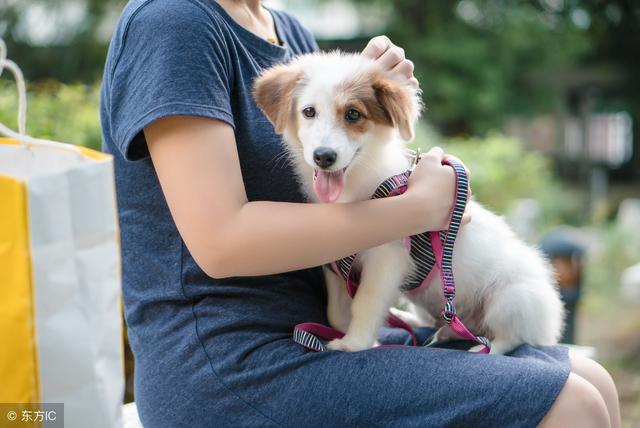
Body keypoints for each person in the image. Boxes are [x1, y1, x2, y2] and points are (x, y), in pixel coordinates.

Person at [100, 0, 621, 426]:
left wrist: (379, 101)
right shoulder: (173, 23)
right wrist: (417, 209)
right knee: (570, 404)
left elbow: (351, 177)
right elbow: (220, 242)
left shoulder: (289, 32)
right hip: (229, 360)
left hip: (318, 326)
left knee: (592, 382)